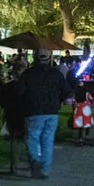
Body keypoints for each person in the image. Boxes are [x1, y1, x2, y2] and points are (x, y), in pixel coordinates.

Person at [17, 49, 71, 179]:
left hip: (33, 111)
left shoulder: (27, 74)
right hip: (52, 111)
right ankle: (45, 170)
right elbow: (67, 90)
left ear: (34, 58)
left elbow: (19, 92)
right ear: (48, 59)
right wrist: (59, 100)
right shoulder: (56, 74)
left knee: (32, 138)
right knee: (47, 140)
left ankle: (35, 160)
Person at [71, 81, 94, 145]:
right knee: (87, 122)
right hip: (86, 108)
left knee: (80, 124)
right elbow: (91, 99)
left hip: (79, 108)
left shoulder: (75, 93)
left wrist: (73, 109)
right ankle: (87, 135)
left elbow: (73, 101)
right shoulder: (87, 93)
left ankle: (80, 138)